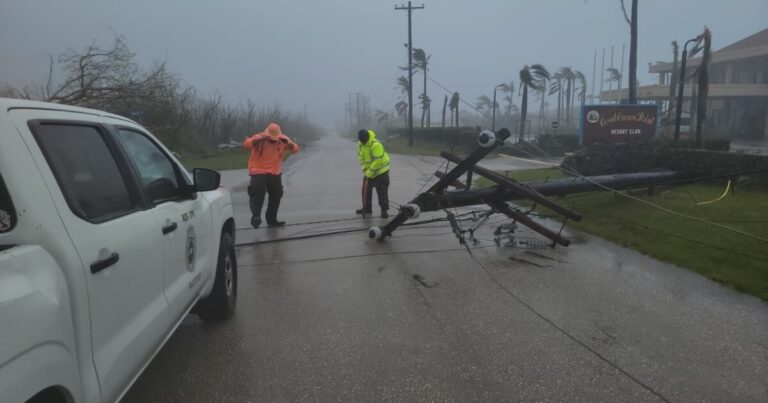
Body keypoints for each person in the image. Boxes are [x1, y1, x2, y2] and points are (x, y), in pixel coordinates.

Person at [244, 123, 299, 228]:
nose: (273, 140)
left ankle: (272, 219)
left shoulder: (283, 139)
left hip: (275, 172)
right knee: (257, 194)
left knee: (277, 195)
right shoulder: (259, 137)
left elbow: (295, 150)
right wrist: (259, 140)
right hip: (258, 170)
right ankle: (256, 216)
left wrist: (289, 143)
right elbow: (247, 144)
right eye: (271, 138)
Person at [356, 129, 391, 218]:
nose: (363, 142)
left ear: (368, 137)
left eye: (364, 141)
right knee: (365, 189)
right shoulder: (360, 145)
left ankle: (384, 210)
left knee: (382, 191)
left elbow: (378, 161)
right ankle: (367, 208)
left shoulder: (376, 145)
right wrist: (365, 170)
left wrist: (368, 173)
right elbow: (361, 158)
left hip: (381, 171)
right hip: (370, 171)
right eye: (361, 141)